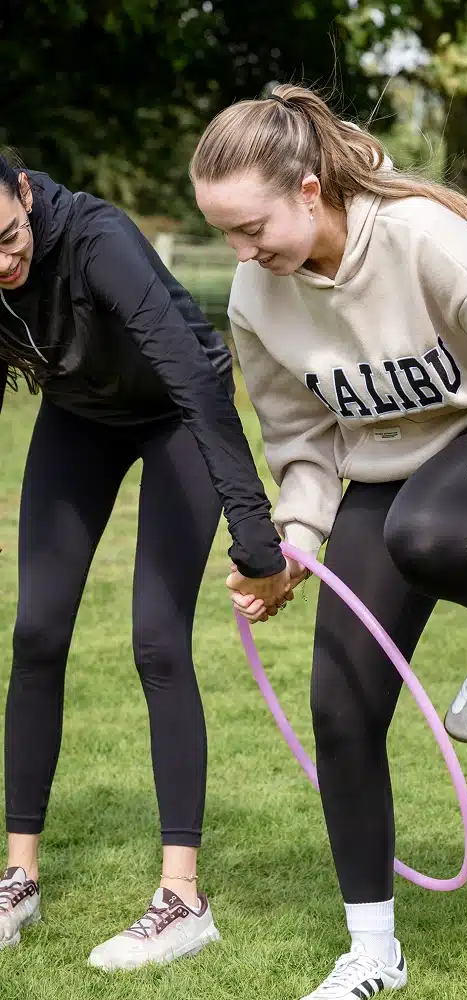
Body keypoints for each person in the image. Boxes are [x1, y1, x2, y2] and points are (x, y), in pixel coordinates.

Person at [189, 83, 467, 998]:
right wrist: (294, 546)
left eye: (251, 226)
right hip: (384, 471)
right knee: (341, 708)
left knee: (427, 532)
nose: (242, 251)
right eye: (225, 234)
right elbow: (301, 440)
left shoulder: (422, 238)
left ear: (310, 190)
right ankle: (372, 955)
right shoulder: (255, 293)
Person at [0, 151, 293, 970]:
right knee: (36, 635)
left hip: (172, 415)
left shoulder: (98, 241)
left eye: (8, 237)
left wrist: (255, 534)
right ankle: (17, 879)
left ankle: (183, 900)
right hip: (78, 418)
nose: (4, 263)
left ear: (25, 193)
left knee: (157, 640)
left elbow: (197, 383)